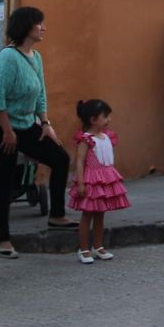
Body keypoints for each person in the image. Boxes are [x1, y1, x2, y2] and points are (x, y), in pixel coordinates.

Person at [0, 7, 75, 258]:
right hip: (5, 128)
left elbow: (41, 93)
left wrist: (46, 124)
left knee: (60, 158)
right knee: (3, 183)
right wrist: (6, 131)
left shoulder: (35, 57)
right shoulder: (7, 57)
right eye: (39, 24)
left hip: (28, 125)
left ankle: (57, 215)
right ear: (26, 27)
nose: (43, 28)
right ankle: (2, 239)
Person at [69, 98, 128, 264]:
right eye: (106, 116)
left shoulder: (107, 136)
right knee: (87, 215)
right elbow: (80, 161)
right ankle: (83, 249)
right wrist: (80, 182)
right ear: (93, 119)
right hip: (91, 180)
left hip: (104, 179)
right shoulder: (86, 139)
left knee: (100, 214)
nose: (109, 120)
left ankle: (98, 246)